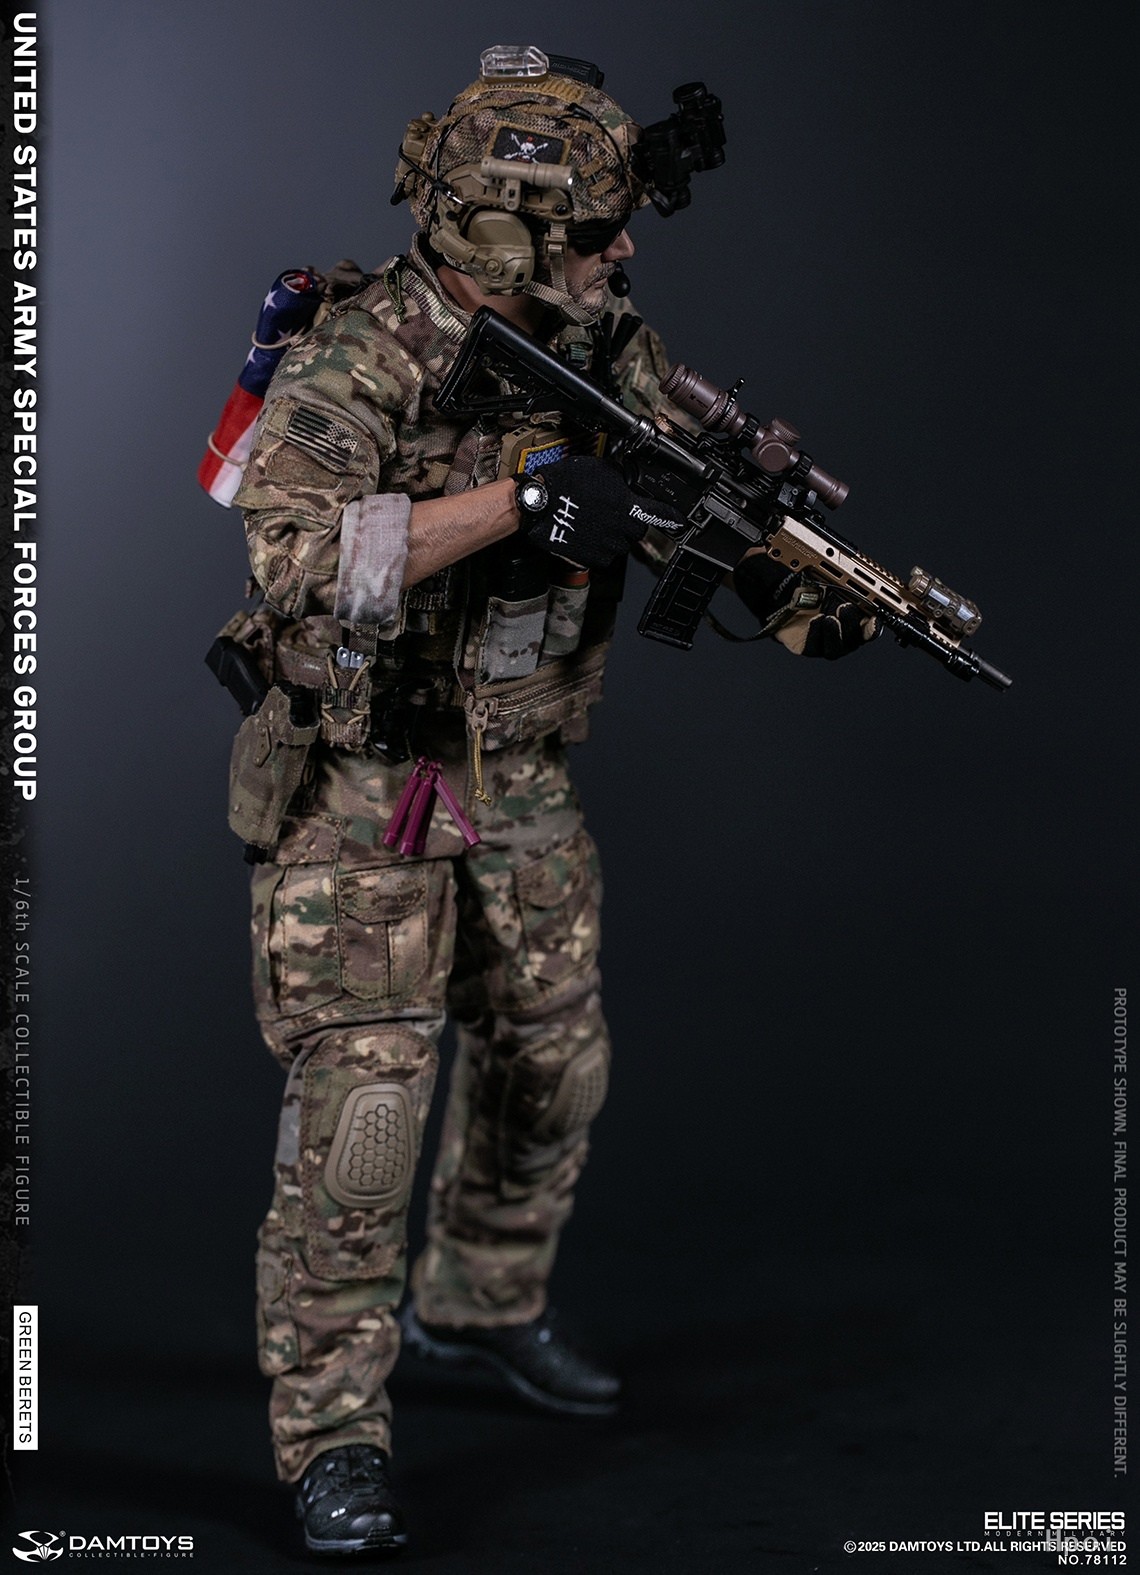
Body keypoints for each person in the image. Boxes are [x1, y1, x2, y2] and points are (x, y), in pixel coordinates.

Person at [226, 44, 875, 1556]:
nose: (623, 249)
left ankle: (480, 1303)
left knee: (551, 1066)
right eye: (593, 229)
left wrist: (790, 579)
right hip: (366, 786)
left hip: (518, 780)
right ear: (498, 234)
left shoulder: (600, 340)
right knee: (365, 1115)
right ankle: (334, 1435)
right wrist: (513, 502)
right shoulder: (356, 354)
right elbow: (298, 561)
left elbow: (679, 478)